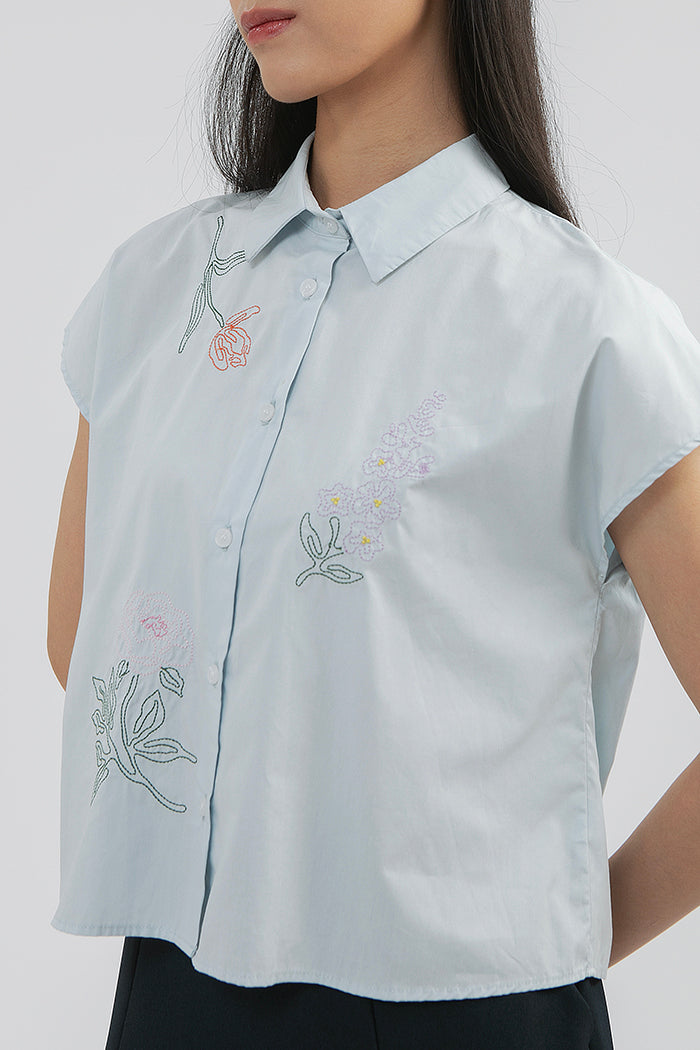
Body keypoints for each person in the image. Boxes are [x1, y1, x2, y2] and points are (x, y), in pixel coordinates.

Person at [47, 2, 700, 1048]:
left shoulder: (582, 326)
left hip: (474, 1014)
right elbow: (85, 644)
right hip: (176, 993)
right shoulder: (159, 290)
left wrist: (559, 939)